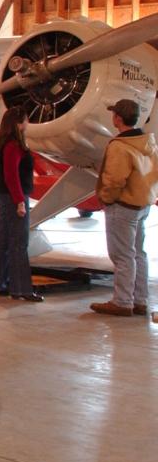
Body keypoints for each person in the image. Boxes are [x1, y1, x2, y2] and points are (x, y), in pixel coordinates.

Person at [90, 99, 157, 318]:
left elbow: (114, 179)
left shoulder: (119, 146)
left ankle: (122, 302)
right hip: (142, 204)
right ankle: (140, 300)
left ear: (118, 118)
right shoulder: (148, 141)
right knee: (139, 254)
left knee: (122, 256)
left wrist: (106, 199)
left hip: (123, 206)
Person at [0, 107, 42, 302]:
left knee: (3, 239)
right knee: (19, 242)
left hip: (4, 194)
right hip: (13, 196)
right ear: (19, 123)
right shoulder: (13, 145)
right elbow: (12, 175)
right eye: (26, 120)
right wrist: (19, 201)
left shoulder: (3, 143)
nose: (27, 123)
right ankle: (21, 289)